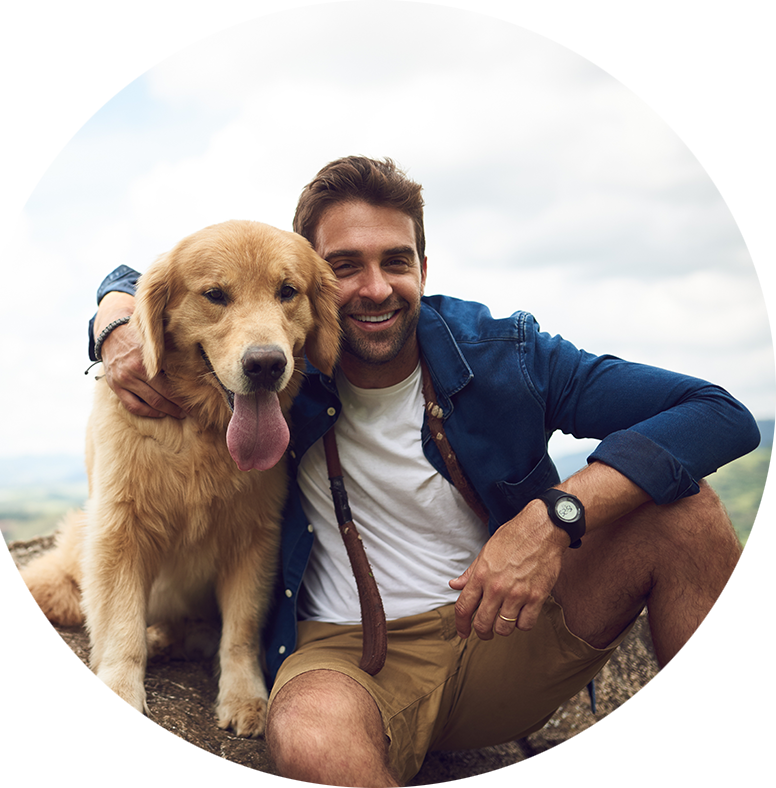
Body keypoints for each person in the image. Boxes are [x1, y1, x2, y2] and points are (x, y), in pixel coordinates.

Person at [90, 156, 775, 788]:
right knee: (307, 738)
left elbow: (717, 412)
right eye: (347, 266)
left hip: (501, 629)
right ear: (318, 284)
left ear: (424, 265)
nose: (376, 288)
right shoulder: (271, 376)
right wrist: (114, 318)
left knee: (685, 515)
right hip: (347, 655)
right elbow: (182, 284)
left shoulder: (506, 356)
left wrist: (552, 517)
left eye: (396, 260)